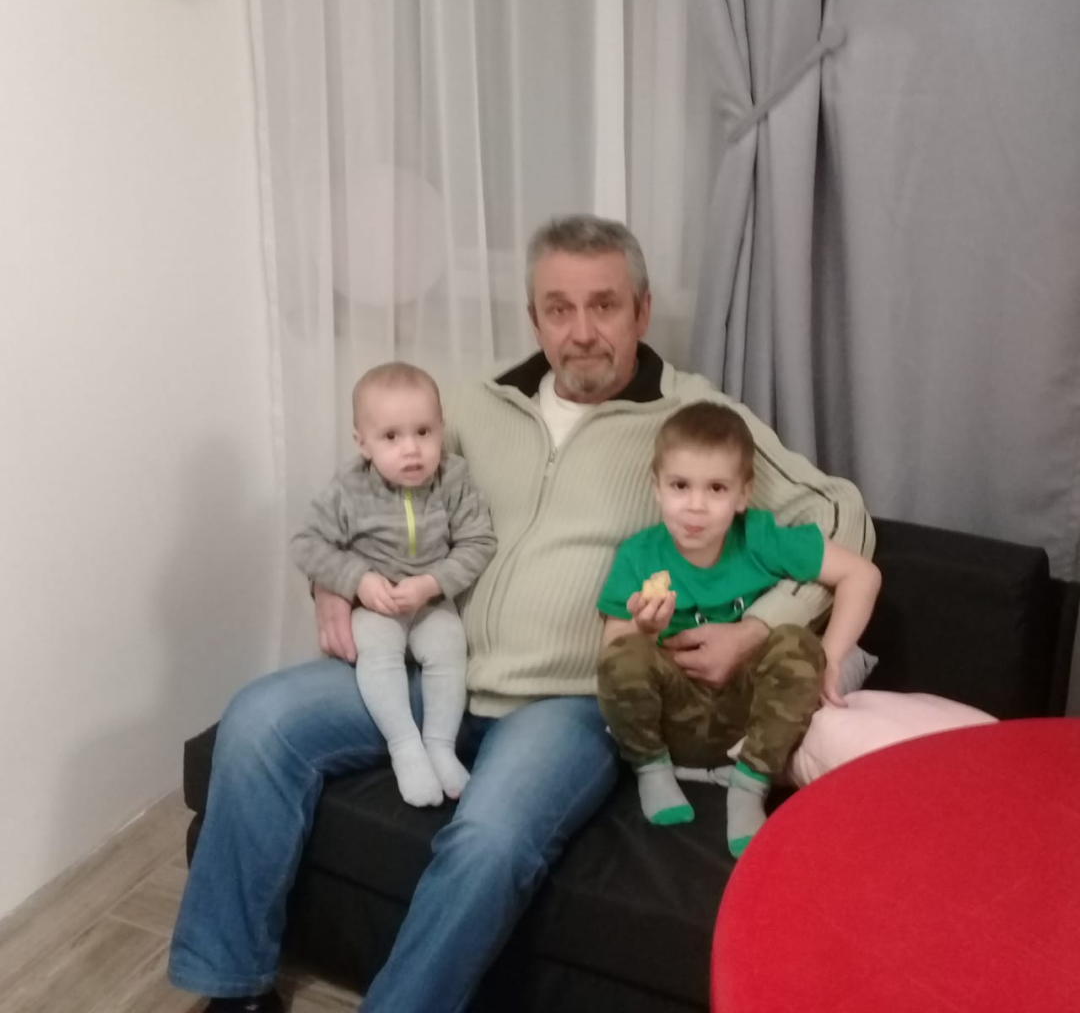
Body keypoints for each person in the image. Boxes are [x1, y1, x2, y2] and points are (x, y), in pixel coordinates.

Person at [168, 214, 875, 1013]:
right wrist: (332, 582)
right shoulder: (473, 403)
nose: (582, 332)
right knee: (258, 721)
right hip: (432, 663)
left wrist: (755, 630)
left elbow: (841, 515)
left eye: (604, 305)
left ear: (642, 311)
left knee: (489, 836)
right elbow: (361, 497)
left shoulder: (694, 417)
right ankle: (234, 988)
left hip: (567, 706)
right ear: (533, 317)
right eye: (559, 309)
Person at [596, 401, 882, 857]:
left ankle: (749, 787)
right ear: (657, 489)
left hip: (751, 721)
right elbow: (612, 654)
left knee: (797, 643)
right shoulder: (638, 555)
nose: (695, 505)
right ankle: (651, 770)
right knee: (623, 655)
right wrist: (645, 631)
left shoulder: (759, 537)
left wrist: (829, 659)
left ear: (742, 495)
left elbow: (862, 575)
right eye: (680, 486)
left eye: (716, 488)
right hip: (673, 717)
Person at [290, 362, 496, 807]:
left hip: (429, 599)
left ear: (441, 429)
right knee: (378, 651)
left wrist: (432, 583)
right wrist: (359, 581)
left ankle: (440, 745)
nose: (411, 450)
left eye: (423, 432)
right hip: (377, 604)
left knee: (449, 647)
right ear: (362, 443)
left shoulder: (453, 479)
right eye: (390, 437)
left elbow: (479, 541)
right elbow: (306, 544)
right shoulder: (349, 489)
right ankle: (405, 747)